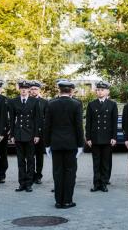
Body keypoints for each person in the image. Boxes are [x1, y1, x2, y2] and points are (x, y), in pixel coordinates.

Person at [44, 80, 84, 209]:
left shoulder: (51, 104)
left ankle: (58, 201)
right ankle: (67, 200)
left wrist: (47, 144)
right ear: (71, 91)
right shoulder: (76, 104)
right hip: (71, 144)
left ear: (59, 90)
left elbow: (47, 126)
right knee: (70, 172)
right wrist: (80, 144)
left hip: (55, 143)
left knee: (57, 172)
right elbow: (79, 127)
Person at [8, 80, 42, 193]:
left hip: (30, 134)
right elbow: (12, 119)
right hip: (18, 134)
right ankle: (21, 183)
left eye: (25, 88)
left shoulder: (34, 101)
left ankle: (29, 183)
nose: (23, 90)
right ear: (19, 89)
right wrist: (11, 134)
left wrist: (37, 134)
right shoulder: (14, 101)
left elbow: (37, 119)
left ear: (28, 90)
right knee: (20, 160)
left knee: (30, 160)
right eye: (21, 88)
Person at [86, 81, 118, 192]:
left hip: (107, 137)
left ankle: (104, 183)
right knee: (96, 162)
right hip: (95, 137)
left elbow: (114, 122)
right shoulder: (91, 104)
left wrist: (114, 137)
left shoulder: (112, 104)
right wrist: (88, 138)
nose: (99, 92)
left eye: (102, 90)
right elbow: (88, 123)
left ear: (107, 91)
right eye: (98, 90)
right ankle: (96, 183)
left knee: (105, 162)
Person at [29, 80, 48, 184]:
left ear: (39, 90)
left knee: (39, 155)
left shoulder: (45, 102)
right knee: (30, 155)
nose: (33, 91)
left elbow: (47, 118)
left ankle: (38, 175)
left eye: (35, 89)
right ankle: (31, 174)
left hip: (41, 134)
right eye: (31, 89)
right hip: (29, 132)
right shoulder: (26, 100)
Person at [0, 80, 10, 184]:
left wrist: (8, 130)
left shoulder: (6, 100)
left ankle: (2, 174)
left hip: (3, 132)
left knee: (2, 154)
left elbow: (10, 117)